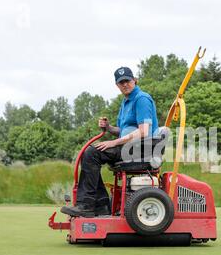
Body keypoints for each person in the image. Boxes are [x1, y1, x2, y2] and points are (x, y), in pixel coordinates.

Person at [61, 66, 159, 217]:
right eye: (121, 82)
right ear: (117, 85)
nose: (125, 84)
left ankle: (87, 205)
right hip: (130, 146)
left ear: (135, 80)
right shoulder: (126, 102)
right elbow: (123, 130)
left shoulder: (142, 99)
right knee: (90, 154)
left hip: (141, 148)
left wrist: (114, 143)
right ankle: (100, 206)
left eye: (127, 81)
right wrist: (108, 127)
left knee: (92, 153)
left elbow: (143, 131)